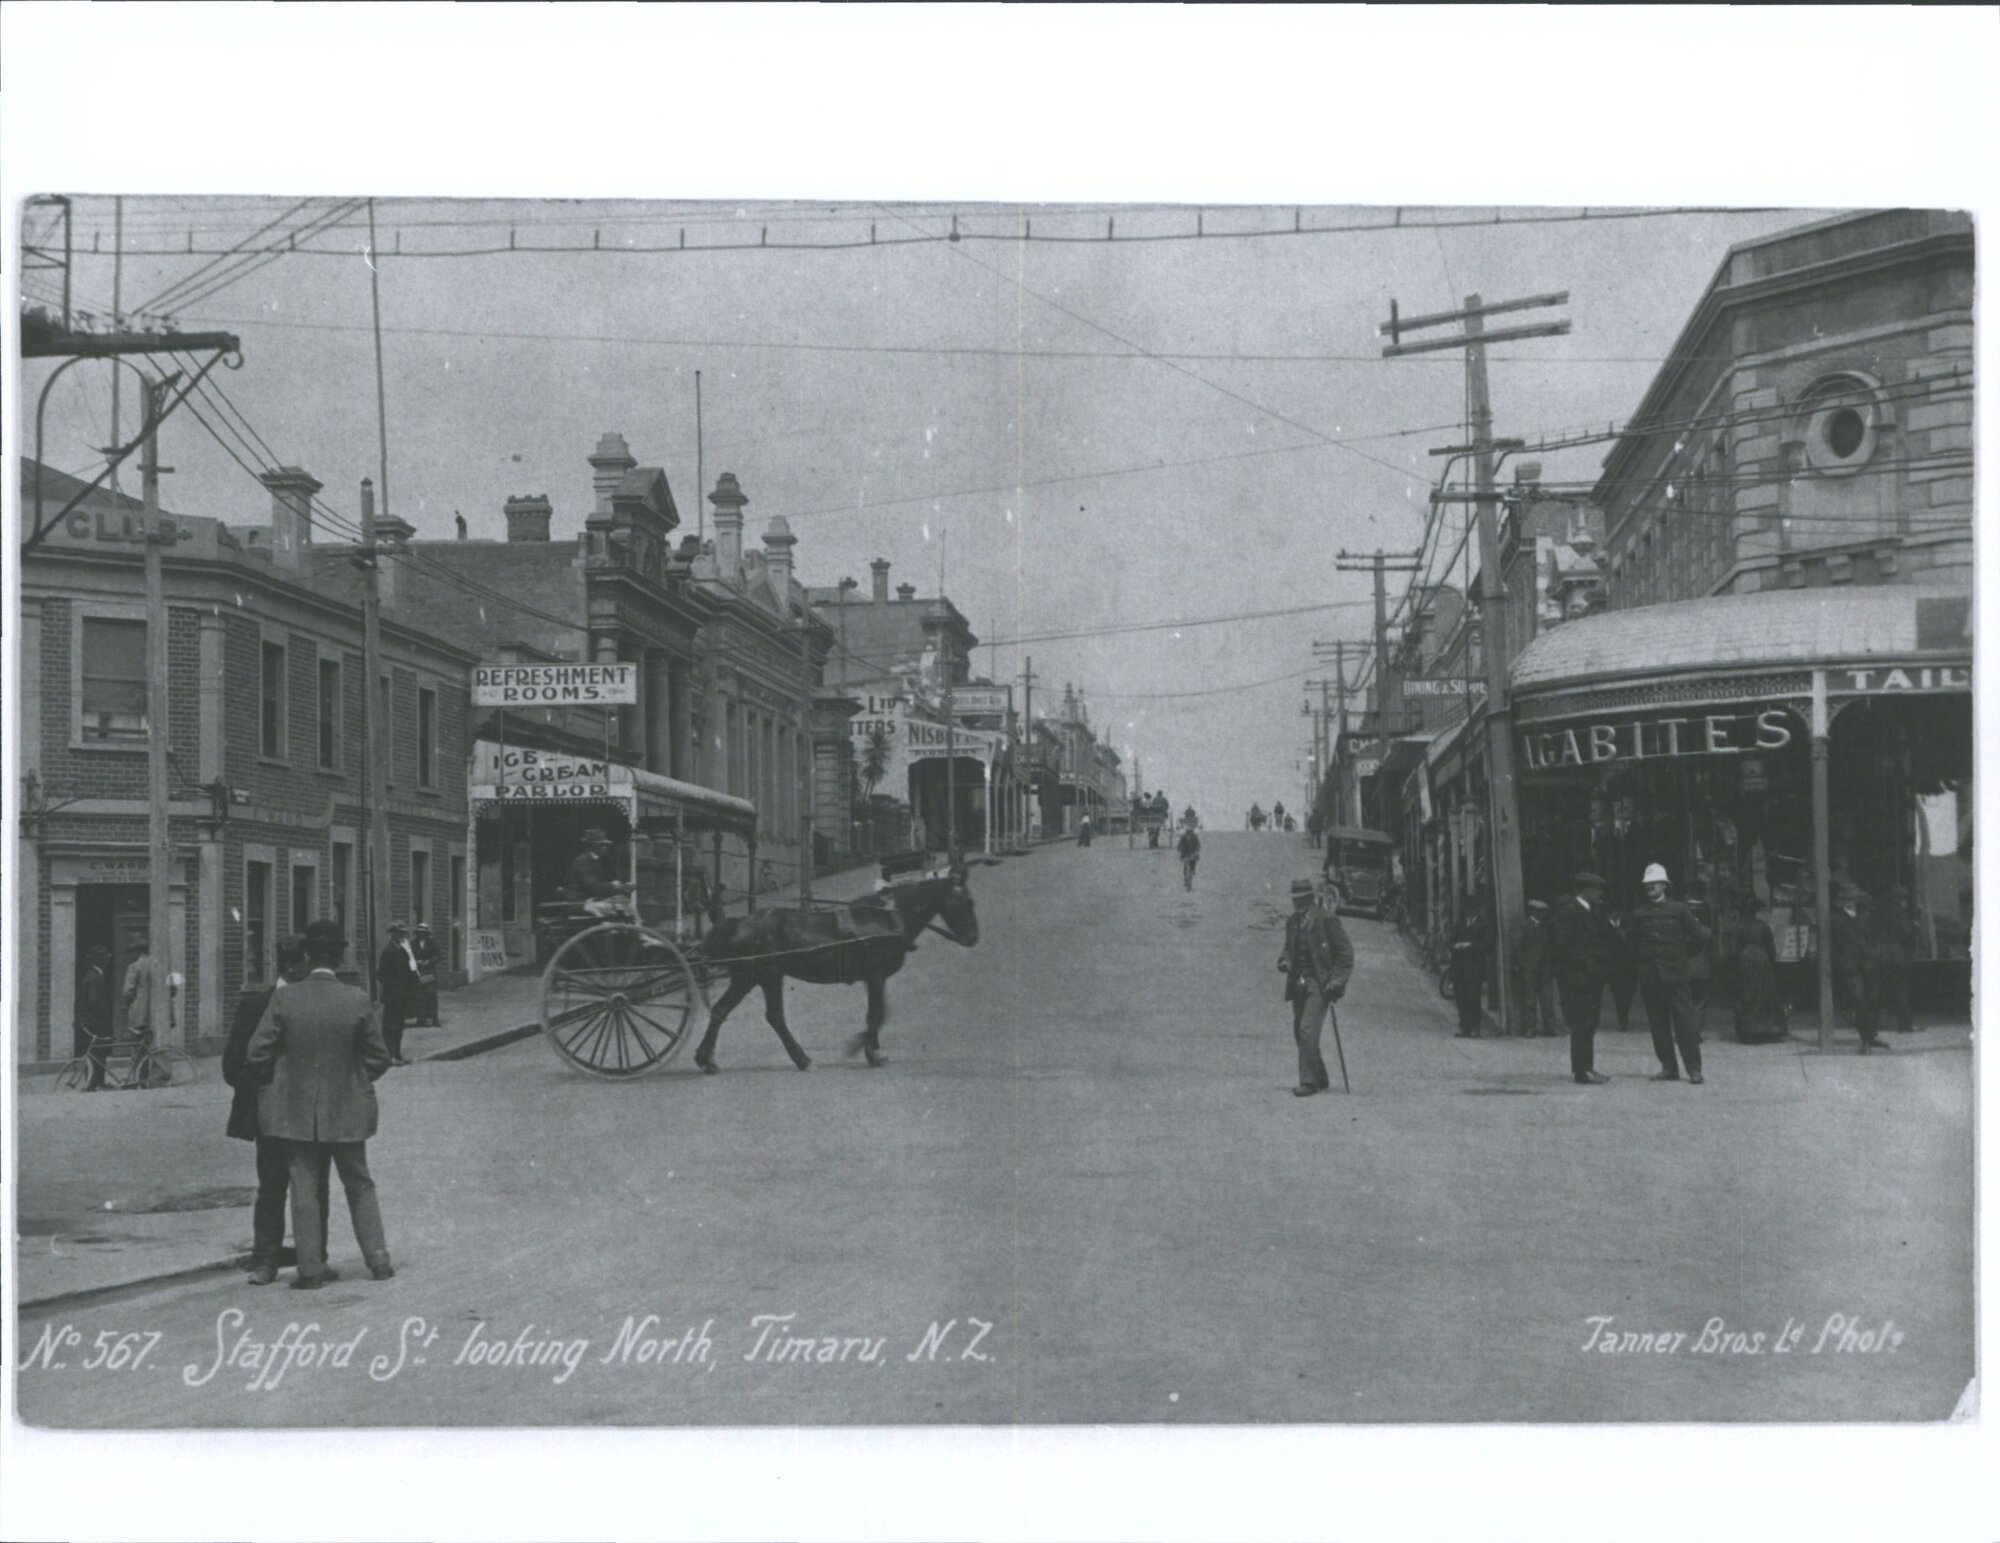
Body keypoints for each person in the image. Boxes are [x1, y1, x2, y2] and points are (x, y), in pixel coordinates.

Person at [245, 918, 395, 1290]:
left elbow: (256, 1052)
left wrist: (282, 1079)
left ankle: (309, 1270)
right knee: (360, 1183)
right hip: (348, 1111)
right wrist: (354, 1080)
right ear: (340, 955)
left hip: (295, 1113)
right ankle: (378, 1261)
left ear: (308, 955)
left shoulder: (285, 998)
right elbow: (380, 1057)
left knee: (304, 1187)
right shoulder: (357, 998)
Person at [224, 935, 330, 1286]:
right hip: (271, 1117)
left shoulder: (320, 1003)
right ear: (292, 966)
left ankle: (315, 1258)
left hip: (314, 1116)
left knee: (315, 1190)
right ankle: (266, 1260)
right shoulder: (257, 1005)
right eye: (306, 965)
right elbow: (233, 1067)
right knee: (272, 1189)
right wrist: (269, 1093)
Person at [1630, 862, 1710, 1083]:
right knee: (1658, 1024)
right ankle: (1668, 1067)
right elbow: (1633, 944)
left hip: (1675, 976)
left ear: (1665, 885)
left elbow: (1699, 938)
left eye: (1654, 883)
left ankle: (1693, 1069)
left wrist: (1681, 957)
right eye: (1647, 884)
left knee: (1685, 1022)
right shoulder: (1639, 914)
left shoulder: (1679, 910)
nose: (1650, 887)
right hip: (1651, 977)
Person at [1277, 877, 1354, 1097]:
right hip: (1298, 981)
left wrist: (1337, 981)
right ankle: (1319, 1076)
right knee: (1299, 1030)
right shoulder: (1292, 922)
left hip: (1320, 983)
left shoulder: (1326, 919)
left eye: (1301, 899)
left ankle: (1308, 1082)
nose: (1297, 904)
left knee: (1307, 1029)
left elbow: (1345, 954)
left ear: (1310, 899)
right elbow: (1287, 949)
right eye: (1295, 900)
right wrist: (1284, 961)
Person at [1549, 873, 1615, 1084]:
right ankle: (1581, 1070)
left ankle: (1588, 1067)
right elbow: (1563, 945)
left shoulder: (1594, 911)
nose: (1600, 893)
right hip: (1578, 978)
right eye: (1596, 889)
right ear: (1585, 890)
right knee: (1582, 1024)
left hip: (1591, 977)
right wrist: (1587, 964)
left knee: (1590, 1023)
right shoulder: (1570, 912)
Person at [1830, 880, 1886, 1053]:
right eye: (1847, 899)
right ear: (1841, 900)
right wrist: (1841, 960)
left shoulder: (1866, 914)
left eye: (1853, 898)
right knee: (1858, 999)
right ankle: (1866, 1038)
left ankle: (1871, 1034)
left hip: (1870, 963)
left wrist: (1876, 951)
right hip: (1851, 965)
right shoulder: (1836, 918)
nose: (1851, 902)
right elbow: (1832, 944)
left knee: (1873, 999)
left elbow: (1876, 935)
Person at [1728, 899, 1787, 1044]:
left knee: (1746, 993)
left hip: (1745, 960)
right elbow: (1771, 949)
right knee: (1764, 993)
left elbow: (1733, 949)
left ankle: (1748, 1029)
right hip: (1762, 959)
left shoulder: (1737, 927)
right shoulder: (1763, 926)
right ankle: (1765, 1027)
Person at [565, 827, 633, 917]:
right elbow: (592, 886)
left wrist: (623, 886)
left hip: (593, 899)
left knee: (624, 905)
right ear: (592, 846)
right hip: (580, 902)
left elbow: (610, 879)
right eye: (601, 845)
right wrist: (613, 885)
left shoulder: (601, 860)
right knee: (611, 908)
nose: (605, 847)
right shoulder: (582, 861)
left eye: (605, 845)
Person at [1450, 902, 1494, 1038]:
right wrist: (1454, 946)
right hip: (1459, 966)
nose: (1470, 911)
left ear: (1477, 909)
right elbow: (1450, 940)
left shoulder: (1484, 925)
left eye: (1472, 908)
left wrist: (1470, 945)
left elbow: (1489, 945)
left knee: (1473, 998)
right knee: (1460, 997)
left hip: (1475, 967)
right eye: (1467, 908)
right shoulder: (1460, 923)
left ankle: (1475, 1028)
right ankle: (1464, 1027)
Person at [375, 921, 416, 1067]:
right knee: (390, 1026)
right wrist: (394, 988)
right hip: (392, 996)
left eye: (403, 933)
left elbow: (408, 971)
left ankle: (397, 1054)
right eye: (399, 933)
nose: (402, 936)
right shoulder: (388, 952)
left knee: (399, 1025)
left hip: (402, 995)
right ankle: (390, 1056)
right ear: (393, 934)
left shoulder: (402, 951)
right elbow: (381, 974)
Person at [77, 944, 116, 1091]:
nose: (108, 961)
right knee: (97, 1052)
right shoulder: (96, 977)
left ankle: (97, 1082)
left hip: (93, 1021)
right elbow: (95, 1001)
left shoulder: (93, 974)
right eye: (105, 959)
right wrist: (106, 1015)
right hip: (96, 1022)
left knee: (98, 1051)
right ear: (99, 961)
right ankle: (93, 1083)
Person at [1878, 884, 1916, 1035]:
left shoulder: (1884, 913)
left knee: (1886, 990)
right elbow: (1906, 932)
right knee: (1902, 991)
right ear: (1901, 899)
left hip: (1886, 956)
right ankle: (1905, 1025)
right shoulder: (1901, 913)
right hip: (1899, 956)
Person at [1520, 899, 1557, 1038]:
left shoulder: (1546, 927)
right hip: (1530, 967)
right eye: (1541, 911)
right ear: (1534, 911)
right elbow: (1520, 947)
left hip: (1544, 968)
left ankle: (1550, 1027)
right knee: (1530, 1000)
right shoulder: (1525, 926)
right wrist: (1524, 964)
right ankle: (1530, 1028)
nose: (1544, 914)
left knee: (1547, 999)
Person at [410, 922, 441, 1027]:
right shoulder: (413, 944)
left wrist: (429, 961)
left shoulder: (432, 943)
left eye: (423, 933)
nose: (421, 935)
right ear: (417, 933)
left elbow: (438, 956)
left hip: (429, 973)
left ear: (427, 934)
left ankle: (433, 1018)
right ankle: (420, 1018)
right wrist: (417, 962)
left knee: (431, 995)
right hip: (417, 973)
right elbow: (408, 957)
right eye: (419, 933)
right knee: (419, 996)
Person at [1176, 824, 1201, 890]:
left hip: (1186, 855)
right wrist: (1197, 852)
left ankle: (1186, 878)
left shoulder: (1184, 837)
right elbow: (1198, 846)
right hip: (1191, 854)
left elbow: (1179, 846)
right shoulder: (1195, 837)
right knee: (1191, 866)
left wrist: (1179, 850)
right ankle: (1190, 874)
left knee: (1186, 866)